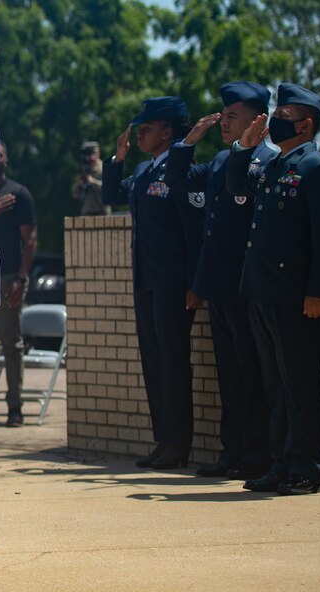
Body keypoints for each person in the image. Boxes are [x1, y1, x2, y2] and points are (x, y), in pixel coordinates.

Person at [227, 82, 320, 495]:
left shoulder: (317, 169)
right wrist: (243, 149)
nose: (275, 121)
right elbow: (236, 189)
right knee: (275, 386)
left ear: (306, 124)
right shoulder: (275, 165)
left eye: (285, 116)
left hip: (296, 297)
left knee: (301, 386)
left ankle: (304, 469)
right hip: (262, 292)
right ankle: (279, 463)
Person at [165, 81, 276, 479]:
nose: (224, 123)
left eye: (233, 116)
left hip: (249, 285)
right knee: (230, 374)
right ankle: (233, 453)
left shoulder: (268, 159)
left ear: (257, 120)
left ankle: (257, 454)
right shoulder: (220, 160)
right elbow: (178, 179)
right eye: (223, 115)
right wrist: (190, 140)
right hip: (220, 285)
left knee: (253, 372)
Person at [103, 97, 205, 471]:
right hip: (147, 280)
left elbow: (194, 233)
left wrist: (196, 282)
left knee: (174, 362)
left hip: (175, 283)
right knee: (154, 361)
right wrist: (118, 158)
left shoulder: (181, 172)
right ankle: (164, 440)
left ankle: (179, 444)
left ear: (168, 132)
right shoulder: (146, 171)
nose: (140, 133)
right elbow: (112, 194)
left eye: (147, 128)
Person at [0, 142, 37, 428]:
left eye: (0, 154)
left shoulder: (19, 194)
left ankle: (15, 407)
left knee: (11, 344)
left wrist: (21, 277)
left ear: (7, 159)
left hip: (8, 279)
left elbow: (30, 239)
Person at [72, 141, 106, 215]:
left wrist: (93, 182)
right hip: (86, 211)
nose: (91, 157)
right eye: (88, 154)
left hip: (101, 210)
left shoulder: (104, 168)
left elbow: (108, 188)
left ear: (98, 153)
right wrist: (79, 185)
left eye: (93, 153)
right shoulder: (84, 170)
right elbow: (75, 194)